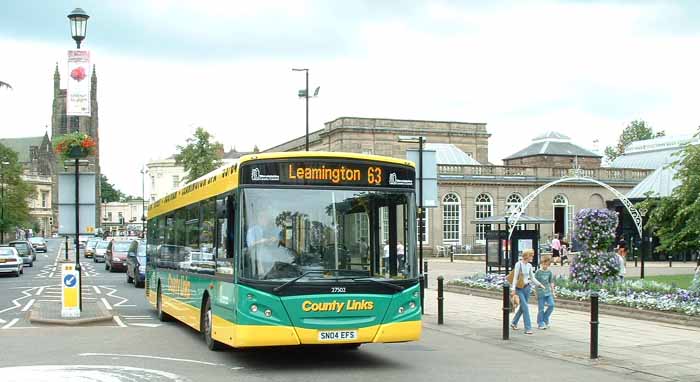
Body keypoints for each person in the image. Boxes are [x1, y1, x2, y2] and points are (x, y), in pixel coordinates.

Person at [511, 249, 545, 334]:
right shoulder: (518, 264)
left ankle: (514, 322)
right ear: (527, 256)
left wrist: (539, 284)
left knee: (523, 307)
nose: (532, 257)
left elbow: (532, 278)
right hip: (519, 289)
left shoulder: (529, 265)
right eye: (531, 255)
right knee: (525, 307)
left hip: (527, 288)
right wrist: (513, 289)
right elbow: (515, 277)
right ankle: (528, 328)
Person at [535, 255, 556, 330]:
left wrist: (553, 292)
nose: (546, 266)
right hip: (541, 292)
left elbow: (551, 282)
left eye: (547, 264)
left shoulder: (549, 272)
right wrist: (536, 293)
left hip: (548, 292)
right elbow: (535, 283)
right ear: (542, 263)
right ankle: (540, 322)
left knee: (551, 305)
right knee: (541, 309)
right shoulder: (538, 272)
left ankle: (545, 318)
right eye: (545, 264)